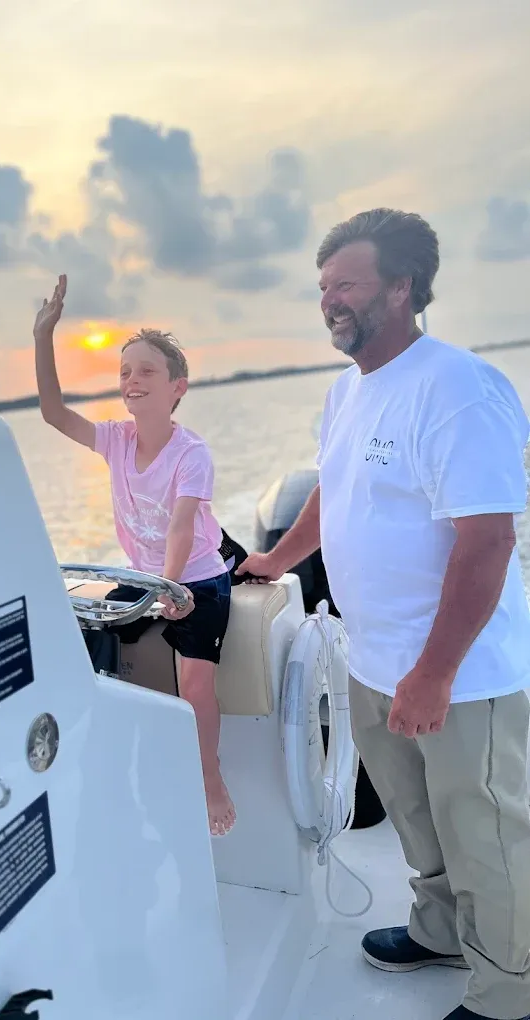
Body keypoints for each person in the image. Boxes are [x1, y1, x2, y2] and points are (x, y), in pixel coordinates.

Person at [238, 209, 530, 1020]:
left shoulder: (457, 388)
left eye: (347, 284)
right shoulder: (346, 391)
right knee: (416, 819)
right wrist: (276, 560)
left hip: (458, 675)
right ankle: (441, 932)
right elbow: (331, 491)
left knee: (484, 834)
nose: (328, 300)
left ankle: (509, 991)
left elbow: (486, 541)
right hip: (371, 662)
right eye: (322, 286)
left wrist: (433, 674)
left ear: (401, 288)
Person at [34, 274, 235, 837]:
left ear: (177, 387)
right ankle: (110, 765)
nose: (132, 381)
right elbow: (53, 413)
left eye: (147, 371)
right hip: (146, 579)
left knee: (195, 685)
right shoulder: (115, 440)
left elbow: (180, 527)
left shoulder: (192, 454)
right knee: (86, 642)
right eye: (125, 372)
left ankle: (210, 777)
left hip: (196, 581)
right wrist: (43, 336)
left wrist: (170, 587)